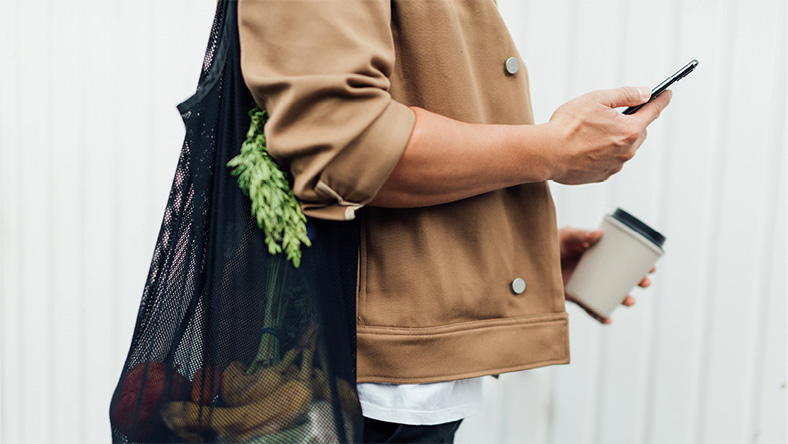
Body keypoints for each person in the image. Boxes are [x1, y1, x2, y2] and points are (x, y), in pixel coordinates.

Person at [237, 1, 669, 442]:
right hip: (356, 389)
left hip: (392, 386)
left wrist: (510, 256)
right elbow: (346, 144)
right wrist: (555, 149)